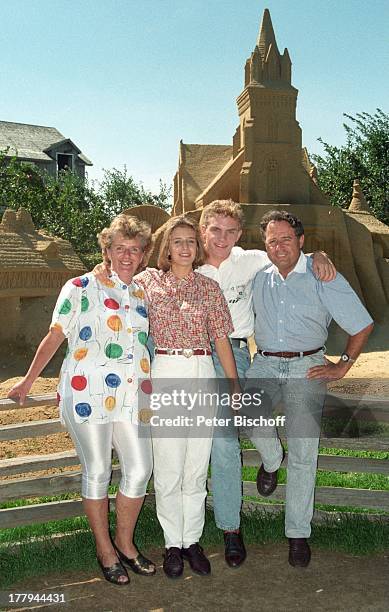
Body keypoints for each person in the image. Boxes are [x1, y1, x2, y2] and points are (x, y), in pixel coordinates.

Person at [7, 214, 156, 586]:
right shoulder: (78, 286)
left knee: (139, 470)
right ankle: (105, 550)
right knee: (99, 471)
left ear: (143, 255)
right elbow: (56, 335)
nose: (127, 255)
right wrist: (27, 380)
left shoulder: (140, 293)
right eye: (119, 248)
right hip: (86, 391)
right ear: (106, 249)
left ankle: (125, 543)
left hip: (131, 394)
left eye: (134, 250)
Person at [197, 199, 337, 568]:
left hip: (240, 353)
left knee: (233, 430)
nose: (223, 238)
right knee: (214, 441)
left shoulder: (253, 260)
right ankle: (220, 529)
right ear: (203, 230)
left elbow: (291, 255)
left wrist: (319, 253)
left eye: (231, 231)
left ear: (239, 234)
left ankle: (240, 518)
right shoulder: (188, 266)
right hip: (195, 356)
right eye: (215, 230)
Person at [244, 210, 373, 567]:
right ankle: (272, 459)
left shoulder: (322, 275)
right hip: (266, 361)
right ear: (265, 246)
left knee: (304, 451)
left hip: (307, 365)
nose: (279, 246)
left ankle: (298, 534)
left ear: (301, 241)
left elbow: (362, 324)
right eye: (272, 240)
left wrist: (343, 365)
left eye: (287, 239)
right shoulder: (258, 277)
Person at [134, 214, 240, 579]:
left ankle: (192, 540)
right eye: (177, 241)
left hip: (202, 370)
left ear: (197, 248)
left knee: (196, 465)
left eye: (190, 241)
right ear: (166, 248)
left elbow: (222, 339)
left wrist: (234, 382)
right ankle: (172, 545)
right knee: (168, 463)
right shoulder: (147, 282)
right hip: (166, 371)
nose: (184, 247)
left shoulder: (209, 288)